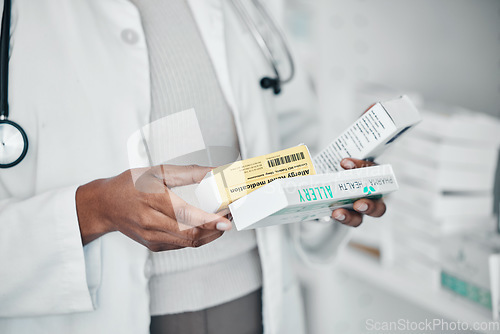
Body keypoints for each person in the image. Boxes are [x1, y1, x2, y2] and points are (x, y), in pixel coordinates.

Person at [0, 1, 386, 333]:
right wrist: (93, 210)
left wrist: (330, 190)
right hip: (94, 316)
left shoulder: (240, 9)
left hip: (251, 301)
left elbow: (291, 137)